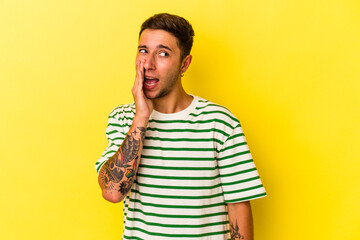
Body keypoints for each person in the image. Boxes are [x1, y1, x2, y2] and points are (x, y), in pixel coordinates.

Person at [95, 13, 266, 240]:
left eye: (163, 53)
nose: (148, 64)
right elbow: (112, 192)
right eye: (143, 50)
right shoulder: (123, 118)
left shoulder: (220, 123)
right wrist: (141, 118)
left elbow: (238, 206)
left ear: (184, 64)